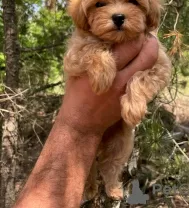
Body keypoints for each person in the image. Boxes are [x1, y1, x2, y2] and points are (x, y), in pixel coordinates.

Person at [13, 34, 159, 208]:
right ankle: (89, 182)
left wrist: (136, 92)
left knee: (117, 150)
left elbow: (160, 70)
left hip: (119, 126)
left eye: (133, 4)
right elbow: (74, 60)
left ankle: (111, 181)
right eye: (100, 5)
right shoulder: (85, 38)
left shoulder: (147, 41)